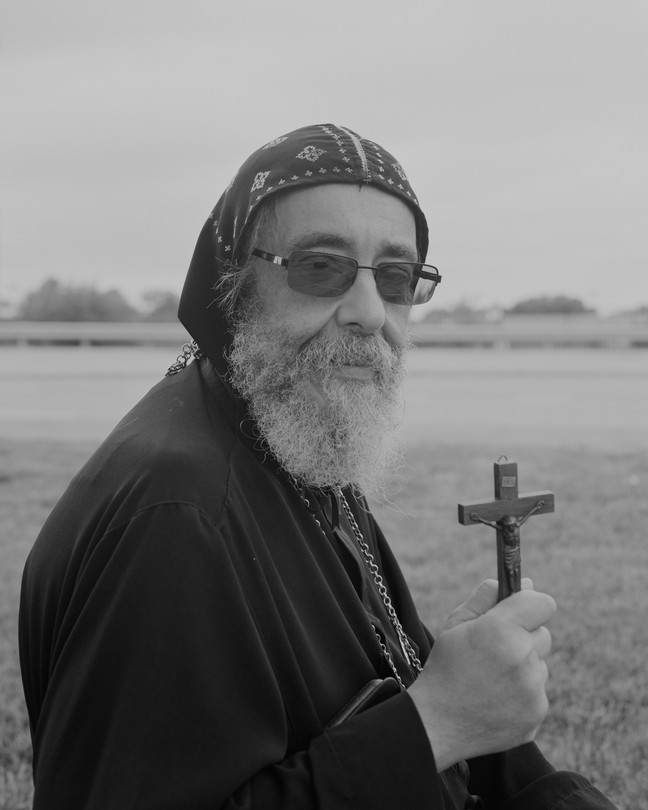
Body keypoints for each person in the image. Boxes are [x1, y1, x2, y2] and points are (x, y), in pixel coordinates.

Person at [19, 124, 617, 809]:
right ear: (233, 287)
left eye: (395, 278)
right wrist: (436, 721)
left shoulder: (290, 444)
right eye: (319, 267)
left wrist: (453, 689)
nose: (368, 313)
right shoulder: (177, 512)